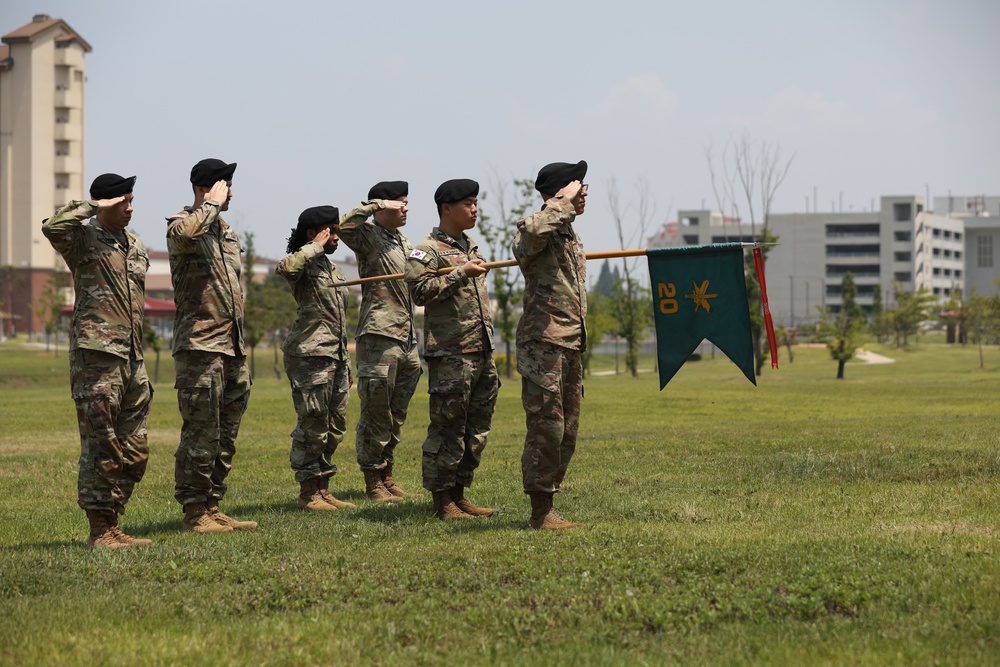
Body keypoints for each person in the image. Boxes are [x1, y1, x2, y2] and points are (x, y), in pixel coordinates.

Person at [41, 174, 153, 549]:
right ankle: (101, 529)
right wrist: (94, 206)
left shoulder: (134, 244)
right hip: (98, 357)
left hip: (133, 357)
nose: (131, 208)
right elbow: (53, 226)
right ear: (106, 204)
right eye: (123, 202)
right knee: (101, 445)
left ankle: (111, 519)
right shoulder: (83, 239)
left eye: (132, 200)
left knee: (135, 451)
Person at [166, 158, 257, 534]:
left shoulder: (226, 232)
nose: (231, 191)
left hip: (232, 346)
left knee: (224, 434)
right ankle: (194, 512)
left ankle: (213, 504)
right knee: (200, 433)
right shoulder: (180, 225)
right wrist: (209, 205)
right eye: (226, 185)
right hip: (200, 346)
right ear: (207, 188)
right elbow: (188, 234)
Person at [404, 179, 498, 520]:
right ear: (446, 208)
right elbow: (418, 292)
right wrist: (459, 273)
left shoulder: (471, 246)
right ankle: (441, 500)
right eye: (468, 203)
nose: (474, 209)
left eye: (476, 203)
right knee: (448, 427)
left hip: (481, 350)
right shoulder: (425, 250)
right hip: (451, 353)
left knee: (476, 428)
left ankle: (459, 495)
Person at [511, 160, 589, 530]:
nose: (585, 193)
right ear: (561, 191)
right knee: (547, 429)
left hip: (569, 343)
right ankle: (540, 512)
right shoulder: (534, 226)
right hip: (543, 343)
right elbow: (529, 239)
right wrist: (561, 202)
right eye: (580, 186)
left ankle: (549, 504)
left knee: (567, 431)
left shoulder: (569, 235)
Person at [338, 182, 422, 502]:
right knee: (376, 412)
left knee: (396, 414)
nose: (405, 208)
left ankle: (387, 473)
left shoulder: (404, 241)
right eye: (400, 203)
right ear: (384, 205)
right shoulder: (368, 236)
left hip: (407, 339)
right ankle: (372, 479)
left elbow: (420, 270)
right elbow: (344, 225)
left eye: (406, 203)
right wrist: (374, 205)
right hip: (379, 336)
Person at [277, 206, 357, 511]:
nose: (337, 237)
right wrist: (313, 246)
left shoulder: (330, 267)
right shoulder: (304, 261)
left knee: (334, 424)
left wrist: (345, 363)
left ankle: (323, 488)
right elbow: (286, 268)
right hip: (309, 355)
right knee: (313, 423)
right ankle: (308, 491)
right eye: (330, 231)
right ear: (313, 233)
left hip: (334, 356)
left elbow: (338, 320)